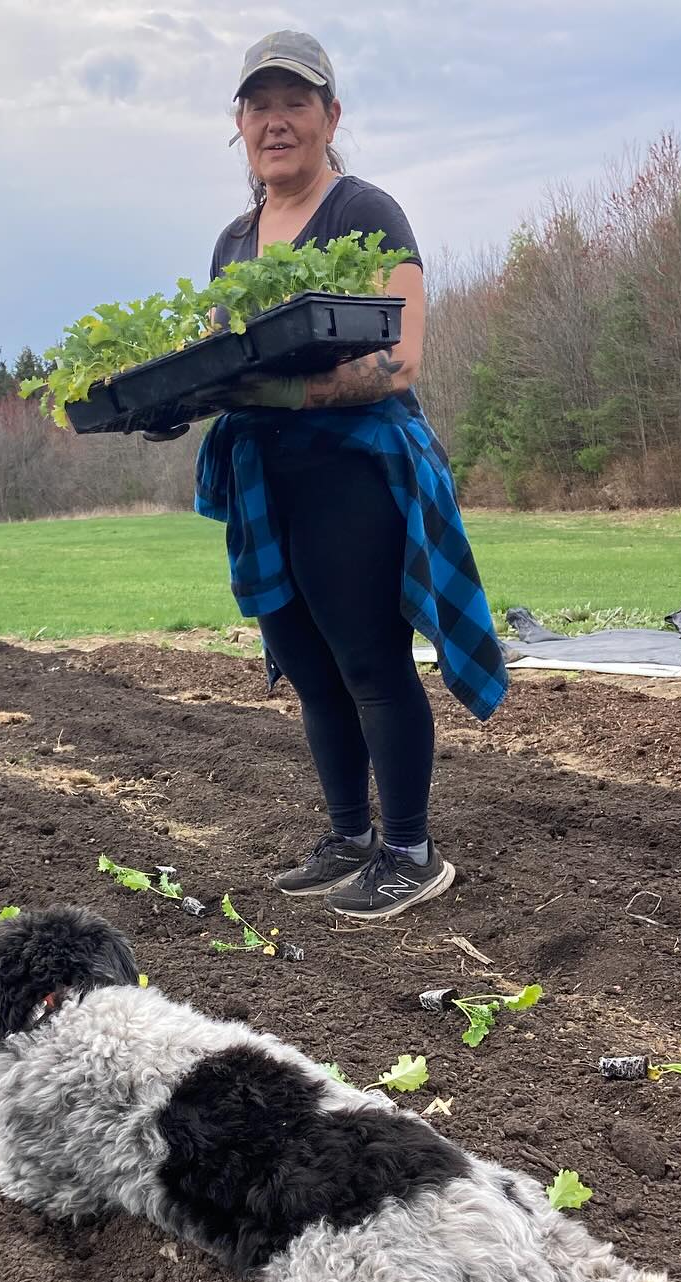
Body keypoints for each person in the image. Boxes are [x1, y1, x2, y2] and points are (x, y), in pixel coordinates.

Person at [191, 30, 508, 922]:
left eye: (295, 102)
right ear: (240, 126)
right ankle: (349, 835)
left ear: (331, 116)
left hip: (354, 467)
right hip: (266, 474)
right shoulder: (233, 241)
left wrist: (283, 389)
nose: (276, 120)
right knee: (304, 662)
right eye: (259, 105)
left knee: (368, 659)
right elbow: (219, 361)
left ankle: (411, 847)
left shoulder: (366, 213)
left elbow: (399, 362)